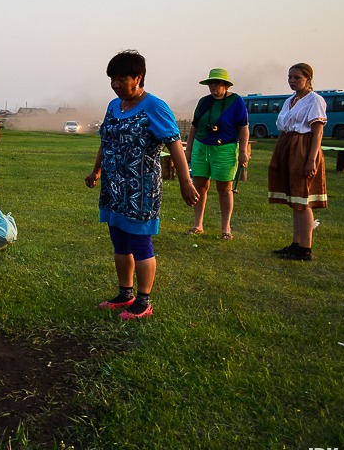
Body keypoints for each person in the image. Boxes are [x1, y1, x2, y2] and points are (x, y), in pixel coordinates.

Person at [86, 50, 199, 320]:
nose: (115, 85)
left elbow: (174, 144)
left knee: (140, 242)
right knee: (119, 241)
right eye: (112, 79)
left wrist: (186, 182)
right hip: (114, 186)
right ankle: (125, 294)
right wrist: (96, 171)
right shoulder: (114, 106)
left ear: (139, 77)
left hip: (141, 189)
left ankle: (144, 301)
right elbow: (106, 140)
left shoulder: (155, 106)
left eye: (121, 79)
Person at [268, 63, 327, 261]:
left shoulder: (315, 100)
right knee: (294, 199)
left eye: (297, 78)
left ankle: (305, 248)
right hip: (287, 144)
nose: (292, 81)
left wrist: (311, 159)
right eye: (290, 77)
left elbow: (318, 132)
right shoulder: (290, 101)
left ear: (308, 79)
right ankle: (296, 243)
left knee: (303, 199)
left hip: (303, 147)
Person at [184, 69, 250, 239]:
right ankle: (198, 225)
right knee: (199, 185)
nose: (214, 86)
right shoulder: (203, 102)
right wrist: (189, 150)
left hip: (225, 148)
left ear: (226, 85)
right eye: (211, 83)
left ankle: (226, 228)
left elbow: (243, 128)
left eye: (218, 83)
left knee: (225, 188)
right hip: (201, 147)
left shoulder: (236, 102)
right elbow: (194, 127)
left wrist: (243, 151)